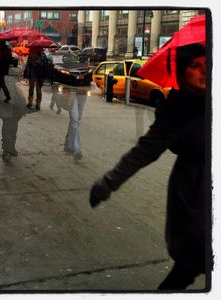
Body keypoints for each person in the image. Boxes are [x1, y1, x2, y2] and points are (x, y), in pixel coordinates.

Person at [89, 43, 209, 290]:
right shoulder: (176, 110)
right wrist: (108, 183)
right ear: (182, 72)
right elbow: (144, 152)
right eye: (196, 66)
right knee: (191, 264)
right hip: (194, 195)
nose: (204, 71)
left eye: (208, 64)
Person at [50, 83, 87, 161]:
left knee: (76, 120)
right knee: (75, 120)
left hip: (83, 93)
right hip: (71, 94)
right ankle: (77, 149)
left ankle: (69, 146)